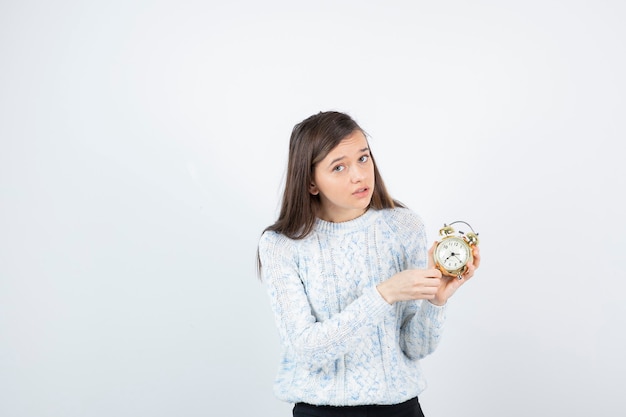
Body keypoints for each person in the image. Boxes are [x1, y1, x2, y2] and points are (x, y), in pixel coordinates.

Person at [257, 111, 480, 417]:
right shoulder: (281, 245)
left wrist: (436, 300)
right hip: (321, 412)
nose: (359, 175)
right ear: (311, 183)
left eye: (363, 158)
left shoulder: (404, 227)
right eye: (339, 167)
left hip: (401, 410)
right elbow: (307, 352)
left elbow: (415, 348)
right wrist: (384, 294)